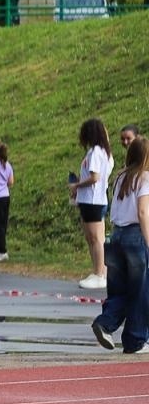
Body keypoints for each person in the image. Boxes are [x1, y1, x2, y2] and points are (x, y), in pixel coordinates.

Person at [91, 137, 149, 353]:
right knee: (140, 290)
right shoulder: (145, 178)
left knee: (119, 290)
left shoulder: (120, 177)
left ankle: (105, 323)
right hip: (135, 236)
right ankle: (135, 340)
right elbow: (143, 212)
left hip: (116, 236)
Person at [71, 117, 113, 289]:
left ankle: (99, 273)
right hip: (94, 199)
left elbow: (95, 177)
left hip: (92, 200)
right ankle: (100, 270)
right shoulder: (104, 152)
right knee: (94, 238)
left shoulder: (96, 152)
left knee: (95, 238)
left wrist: (77, 185)